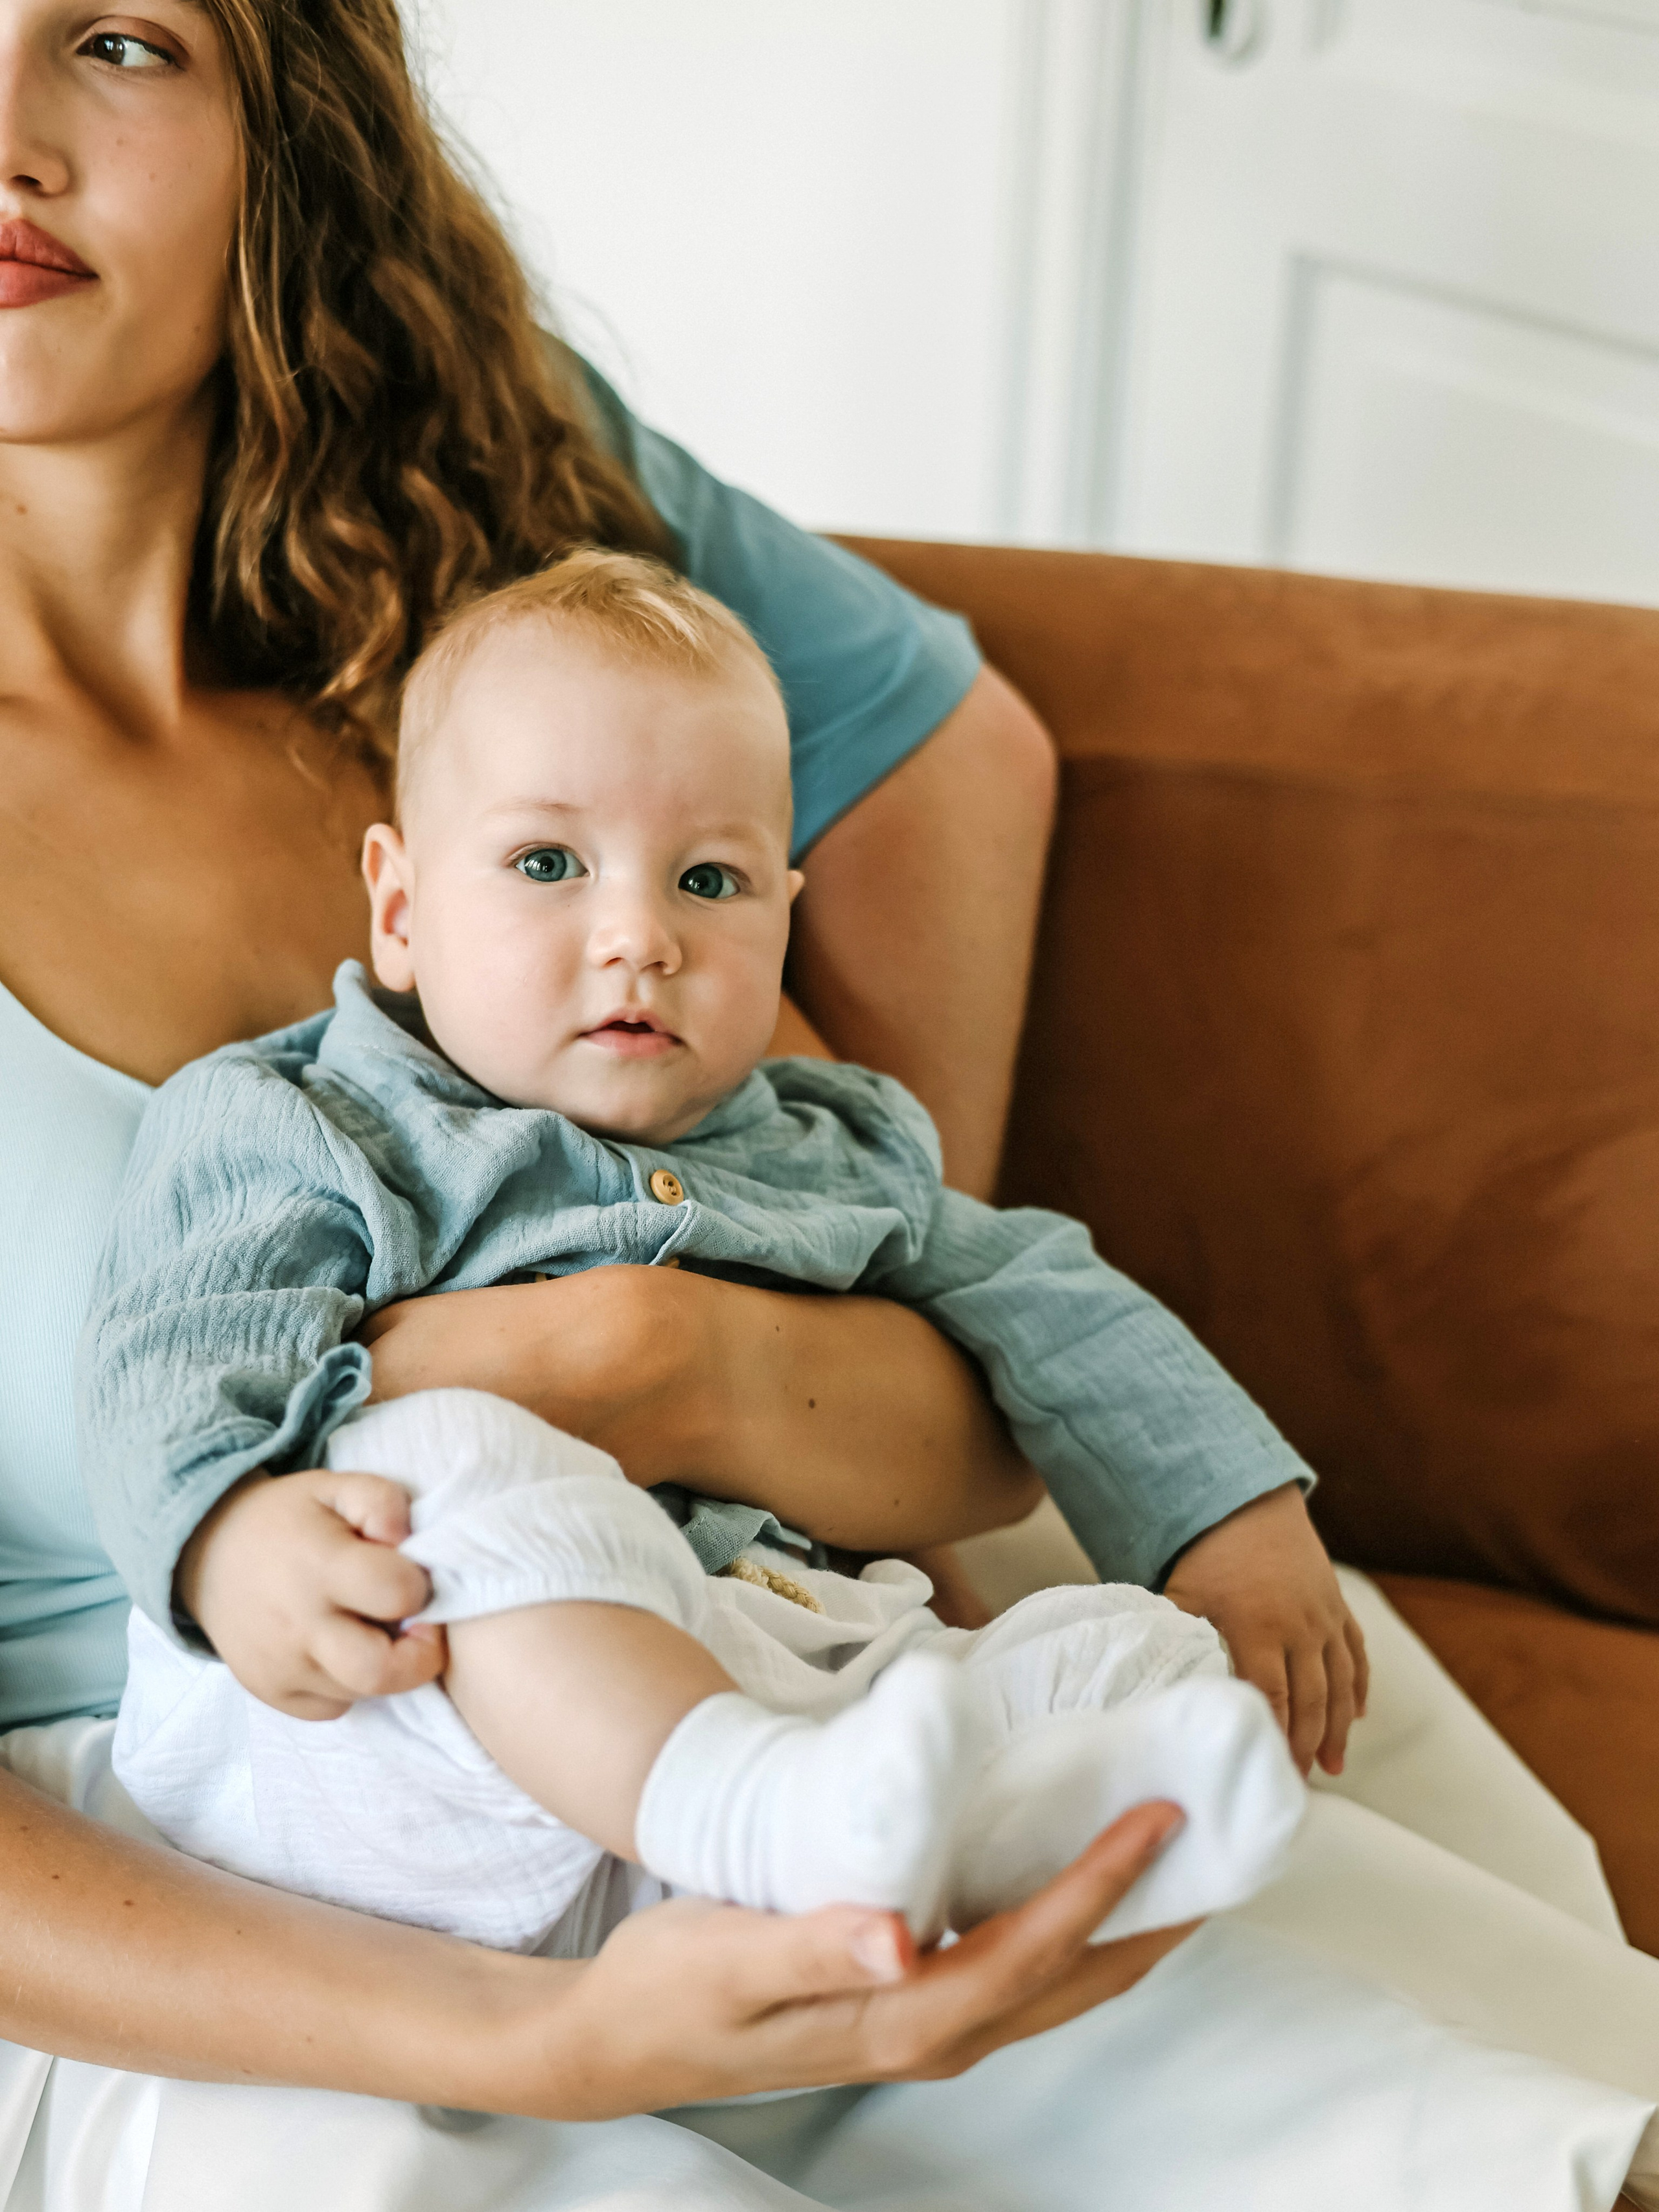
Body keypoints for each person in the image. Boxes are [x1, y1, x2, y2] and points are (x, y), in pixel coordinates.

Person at [1, 5, 1658, 2209]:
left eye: (116, 36)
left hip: (779, 1629)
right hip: (229, 1912)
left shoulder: (471, 504)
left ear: (281, 121)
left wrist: (733, 1285)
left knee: (1472, 2092)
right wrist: (556, 2037)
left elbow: (949, 758)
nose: (5, 135)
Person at [85, 549, 1306, 1957]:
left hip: (748, 1694)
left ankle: (969, 1823)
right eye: (548, 863)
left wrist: (1229, 1519)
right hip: (388, 1714)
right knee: (440, 1454)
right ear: (402, 908)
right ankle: (752, 1810)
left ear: (784, 916)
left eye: (709, 879)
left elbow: (1043, 1293)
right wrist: (228, 1541)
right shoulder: (301, 1124)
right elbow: (170, 1365)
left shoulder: (832, 1148)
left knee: (1125, 1656)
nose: (637, 937)